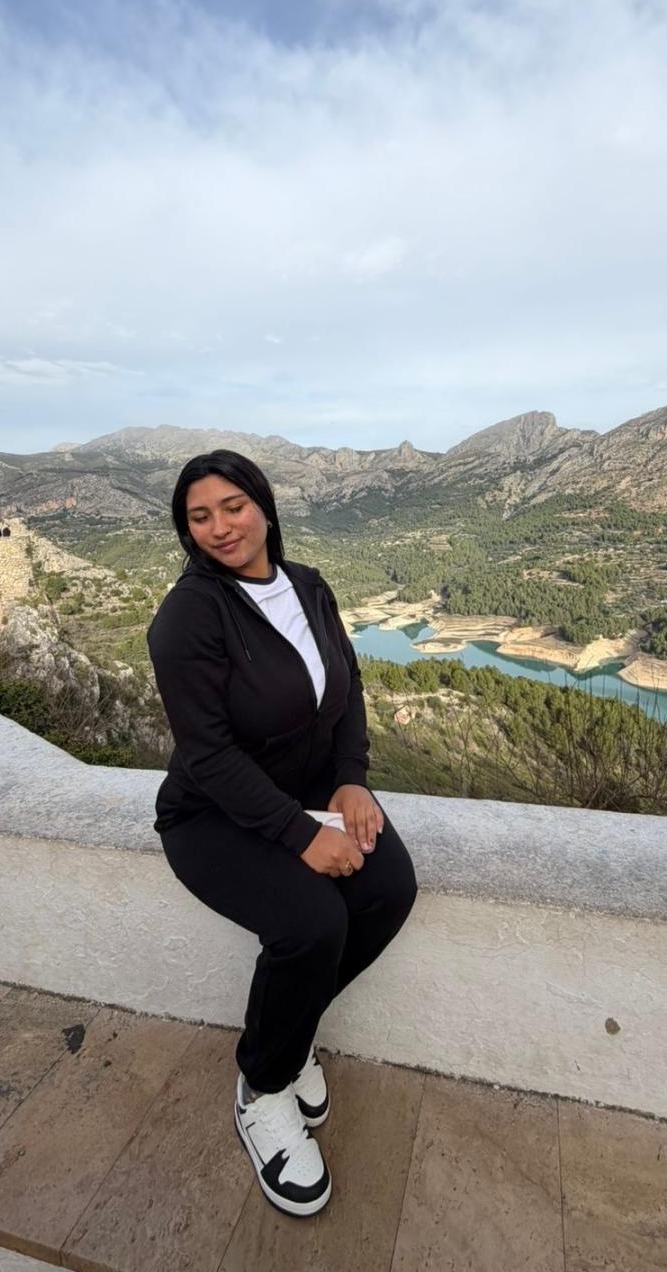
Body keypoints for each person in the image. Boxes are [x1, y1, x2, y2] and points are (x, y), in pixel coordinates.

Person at [147, 449, 418, 1218]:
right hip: (213, 813)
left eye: (232, 507)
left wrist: (351, 777)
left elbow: (348, 687)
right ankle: (263, 1084)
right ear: (188, 532)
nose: (220, 527)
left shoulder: (308, 585)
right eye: (200, 517)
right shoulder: (188, 617)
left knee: (389, 889)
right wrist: (300, 835)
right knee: (311, 923)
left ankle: (288, 1042)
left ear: (263, 507)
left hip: (308, 794)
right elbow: (209, 756)